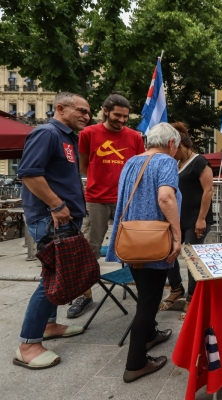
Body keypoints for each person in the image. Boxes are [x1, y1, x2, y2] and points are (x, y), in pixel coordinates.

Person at [14, 92, 91, 369]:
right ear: (60, 108)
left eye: (88, 112)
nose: (87, 116)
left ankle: (49, 325)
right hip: (52, 219)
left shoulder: (68, 137)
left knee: (58, 275)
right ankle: (28, 344)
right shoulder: (47, 133)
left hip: (63, 218)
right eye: (81, 110)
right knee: (52, 277)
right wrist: (57, 206)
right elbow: (30, 174)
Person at [105, 123, 182, 383]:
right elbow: (165, 198)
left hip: (131, 239)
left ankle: (150, 336)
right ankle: (135, 363)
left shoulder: (131, 161)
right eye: (177, 146)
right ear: (171, 144)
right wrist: (177, 235)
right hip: (154, 241)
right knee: (148, 303)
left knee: (145, 294)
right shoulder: (165, 162)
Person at [69, 93, 145, 319]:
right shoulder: (88, 133)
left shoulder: (135, 136)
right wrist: (99, 182)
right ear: (105, 111)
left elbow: (139, 167)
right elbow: (83, 165)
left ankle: (141, 288)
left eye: (125, 116)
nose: (122, 120)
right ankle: (85, 294)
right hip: (97, 198)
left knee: (135, 246)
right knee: (90, 247)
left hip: (127, 199)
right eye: (117, 115)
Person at [159, 122, 214, 320]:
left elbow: (208, 191)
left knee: (191, 258)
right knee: (168, 253)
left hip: (196, 219)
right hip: (177, 218)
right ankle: (176, 289)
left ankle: (192, 297)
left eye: (173, 148)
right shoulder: (175, 163)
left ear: (181, 145)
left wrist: (201, 219)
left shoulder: (200, 162)